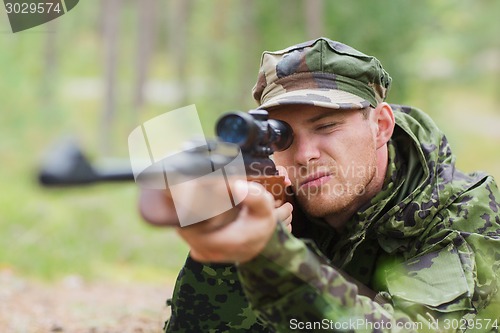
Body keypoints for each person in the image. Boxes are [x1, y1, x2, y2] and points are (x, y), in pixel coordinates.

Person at [140, 37, 500, 332]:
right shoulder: (276, 198)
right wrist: (227, 251)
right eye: (284, 137)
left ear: (381, 126)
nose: (305, 155)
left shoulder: (460, 211)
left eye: (326, 127)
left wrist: (273, 253)